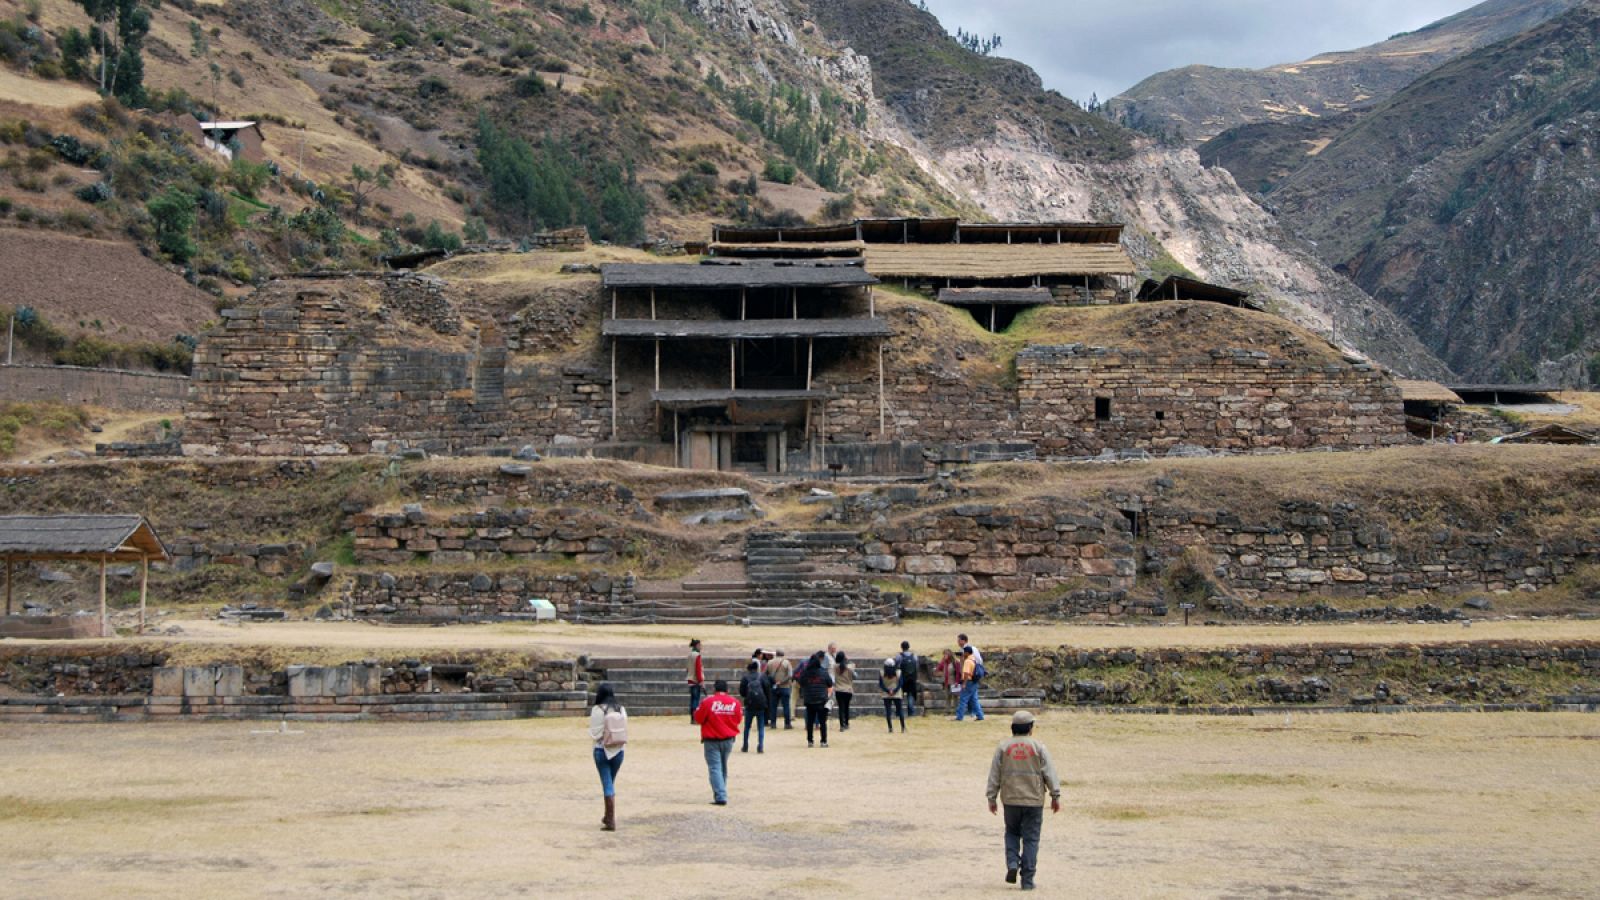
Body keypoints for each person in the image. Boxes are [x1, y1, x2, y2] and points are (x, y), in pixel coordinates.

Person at [986, 711, 1062, 891]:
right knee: (1031, 839)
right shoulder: (1038, 747)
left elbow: (994, 774)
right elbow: (1049, 773)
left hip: (1010, 799)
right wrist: (1055, 796)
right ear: (1030, 728)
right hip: (1033, 800)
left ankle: (1013, 862)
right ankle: (1027, 880)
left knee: (1011, 833)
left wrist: (992, 797)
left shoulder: (1003, 747)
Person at [693, 678, 742, 805]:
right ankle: (721, 790)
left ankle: (720, 795)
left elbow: (698, 718)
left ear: (715, 689)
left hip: (712, 739)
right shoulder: (735, 702)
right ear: (727, 689)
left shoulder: (708, 702)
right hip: (728, 739)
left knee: (715, 767)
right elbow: (738, 719)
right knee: (723, 766)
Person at [588, 682, 627, 832]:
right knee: (610, 781)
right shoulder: (621, 709)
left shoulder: (597, 710)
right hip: (619, 750)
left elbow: (594, 732)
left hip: (601, 750)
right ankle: (607, 816)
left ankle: (610, 819)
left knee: (607, 783)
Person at [796, 651, 834, 748]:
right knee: (822, 722)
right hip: (821, 700)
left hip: (809, 700)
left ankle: (810, 741)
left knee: (810, 722)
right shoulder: (823, 672)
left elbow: (800, 682)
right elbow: (830, 683)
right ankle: (823, 741)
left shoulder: (805, 672)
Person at [738, 660, 771, 754]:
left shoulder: (745, 678)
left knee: (747, 727)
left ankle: (745, 746)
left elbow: (742, 692)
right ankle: (760, 746)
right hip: (760, 704)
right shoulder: (762, 676)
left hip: (750, 704)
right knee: (761, 726)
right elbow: (767, 689)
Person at [766, 649, 794, 729]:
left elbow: (766, 674)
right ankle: (787, 724)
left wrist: (774, 682)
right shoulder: (786, 662)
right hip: (785, 687)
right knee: (786, 706)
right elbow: (790, 675)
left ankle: (773, 724)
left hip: (774, 687)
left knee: (773, 706)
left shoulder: (770, 662)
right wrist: (781, 682)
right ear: (783, 655)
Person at [957, 644, 985, 721]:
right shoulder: (973, 660)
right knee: (974, 700)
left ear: (967, 653)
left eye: (964, 652)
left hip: (968, 682)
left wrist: (964, 683)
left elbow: (966, 673)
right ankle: (980, 716)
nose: (963, 654)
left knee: (963, 699)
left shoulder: (968, 661)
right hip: (974, 682)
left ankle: (959, 717)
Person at [879, 657, 906, 733]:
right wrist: (894, 691)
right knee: (900, 710)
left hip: (886, 694)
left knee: (888, 711)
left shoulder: (882, 673)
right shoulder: (898, 672)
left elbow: (881, 684)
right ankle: (903, 728)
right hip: (897, 693)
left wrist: (888, 691)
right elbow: (901, 683)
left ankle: (890, 728)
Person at [833, 651, 856, 731]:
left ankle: (841, 725)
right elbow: (855, 676)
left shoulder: (835, 667)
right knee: (847, 707)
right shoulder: (850, 667)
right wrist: (848, 660)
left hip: (838, 689)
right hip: (848, 689)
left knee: (841, 708)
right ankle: (846, 723)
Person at [897, 640, 920, 717]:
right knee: (910, 695)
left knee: (900, 696)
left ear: (901, 647)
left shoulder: (899, 656)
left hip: (902, 679)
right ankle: (911, 713)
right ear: (909, 647)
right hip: (912, 679)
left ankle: (899, 713)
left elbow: (896, 666)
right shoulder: (914, 656)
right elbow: (917, 667)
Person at [935, 648, 961, 714]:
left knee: (955, 697)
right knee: (947, 697)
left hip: (954, 681)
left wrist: (957, 682)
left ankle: (957, 711)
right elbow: (938, 669)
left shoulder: (956, 662)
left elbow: (958, 673)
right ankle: (947, 711)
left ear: (949, 655)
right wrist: (942, 660)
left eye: (945, 654)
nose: (944, 656)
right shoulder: (944, 662)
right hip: (947, 682)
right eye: (944, 655)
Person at [686, 638, 705, 722]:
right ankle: (695, 717)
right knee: (696, 700)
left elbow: (687, 668)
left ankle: (692, 717)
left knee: (692, 699)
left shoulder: (689, 655)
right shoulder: (697, 656)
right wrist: (701, 681)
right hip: (695, 680)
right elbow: (698, 669)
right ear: (697, 645)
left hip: (690, 679)